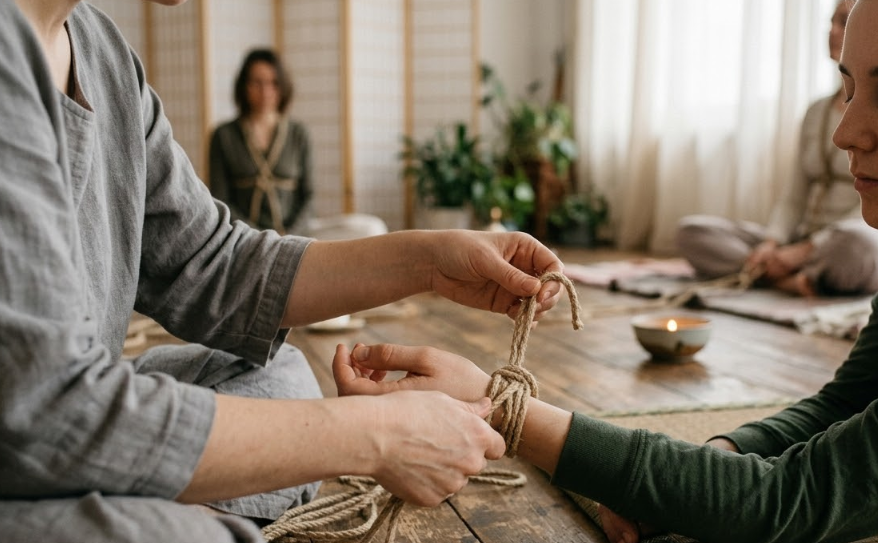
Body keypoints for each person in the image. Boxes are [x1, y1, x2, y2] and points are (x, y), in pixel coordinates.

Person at [334, 2, 878, 541]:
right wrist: (713, 461)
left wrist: (503, 412)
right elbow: (844, 406)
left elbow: (792, 497)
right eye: (847, 88)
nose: (846, 132)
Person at [0, 1, 565, 542]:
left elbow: (215, 262)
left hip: (67, 420)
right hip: (40, 422)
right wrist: (377, 437)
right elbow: (46, 406)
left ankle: (121, 484)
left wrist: (430, 260)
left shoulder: (105, 56)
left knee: (286, 379)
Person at [675, 0, 878, 297]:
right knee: (692, 231)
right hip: (799, 238)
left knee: (858, 247)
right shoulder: (816, 111)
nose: (832, 31)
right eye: (831, 22)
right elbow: (794, 195)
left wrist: (806, 251)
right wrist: (772, 243)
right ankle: (789, 280)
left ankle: (776, 274)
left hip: (852, 238)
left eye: (844, 22)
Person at [209, 48, 387, 239]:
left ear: (282, 86)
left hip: (297, 235)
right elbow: (221, 201)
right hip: (246, 236)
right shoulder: (224, 135)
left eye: (273, 83)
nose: (265, 91)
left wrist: (289, 236)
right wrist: (259, 236)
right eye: (257, 83)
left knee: (370, 228)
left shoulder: (298, 134)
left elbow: (309, 198)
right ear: (244, 86)